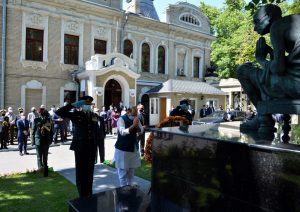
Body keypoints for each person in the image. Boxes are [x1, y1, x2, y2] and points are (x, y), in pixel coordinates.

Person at [236, 4, 300, 130]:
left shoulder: (277, 26)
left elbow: (279, 69)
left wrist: (261, 59)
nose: (255, 28)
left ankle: (262, 118)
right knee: (265, 76)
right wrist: (273, 57)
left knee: (243, 71)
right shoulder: (294, 20)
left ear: (269, 16)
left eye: (257, 22)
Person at [55, 96, 100, 197]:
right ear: (81, 105)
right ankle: (82, 195)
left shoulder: (94, 116)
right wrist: (72, 105)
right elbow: (59, 112)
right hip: (80, 146)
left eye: (89, 105)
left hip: (91, 147)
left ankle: (89, 194)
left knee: (90, 172)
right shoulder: (76, 114)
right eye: (86, 104)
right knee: (81, 173)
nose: (88, 107)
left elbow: (96, 132)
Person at [113, 106, 143, 187]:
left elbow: (141, 131)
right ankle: (123, 189)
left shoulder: (136, 119)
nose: (134, 116)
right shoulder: (121, 119)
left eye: (136, 114)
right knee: (122, 172)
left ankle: (130, 188)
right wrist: (133, 125)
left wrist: (137, 127)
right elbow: (122, 132)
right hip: (123, 149)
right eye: (133, 114)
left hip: (133, 148)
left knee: (131, 171)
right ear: (128, 112)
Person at [32, 106, 53, 176]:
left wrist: (51, 140)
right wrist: (33, 141)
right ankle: (40, 169)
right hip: (38, 140)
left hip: (46, 141)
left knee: (45, 157)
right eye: (41, 113)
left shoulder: (48, 120)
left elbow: (51, 131)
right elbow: (33, 131)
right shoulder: (36, 120)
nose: (41, 114)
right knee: (39, 157)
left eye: (43, 113)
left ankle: (45, 172)